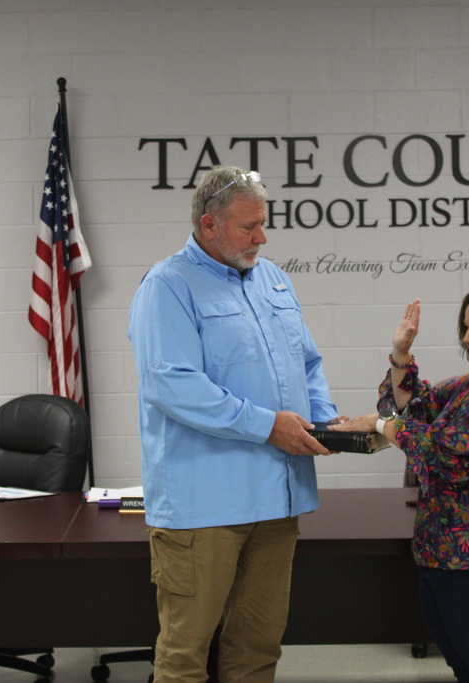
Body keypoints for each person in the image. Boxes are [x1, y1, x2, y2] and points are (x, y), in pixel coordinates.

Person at [128, 166, 341, 683]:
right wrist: (269, 426)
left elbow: (307, 362)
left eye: (263, 224)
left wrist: (325, 420)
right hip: (204, 509)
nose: (261, 238)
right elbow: (172, 384)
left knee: (257, 647)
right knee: (185, 656)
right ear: (209, 226)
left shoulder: (272, 279)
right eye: (249, 228)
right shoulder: (168, 285)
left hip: (278, 500)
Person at [333, 278, 469, 683]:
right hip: (442, 560)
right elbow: (411, 409)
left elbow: (449, 455)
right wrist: (401, 352)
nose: (467, 339)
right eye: (465, 328)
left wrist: (384, 425)